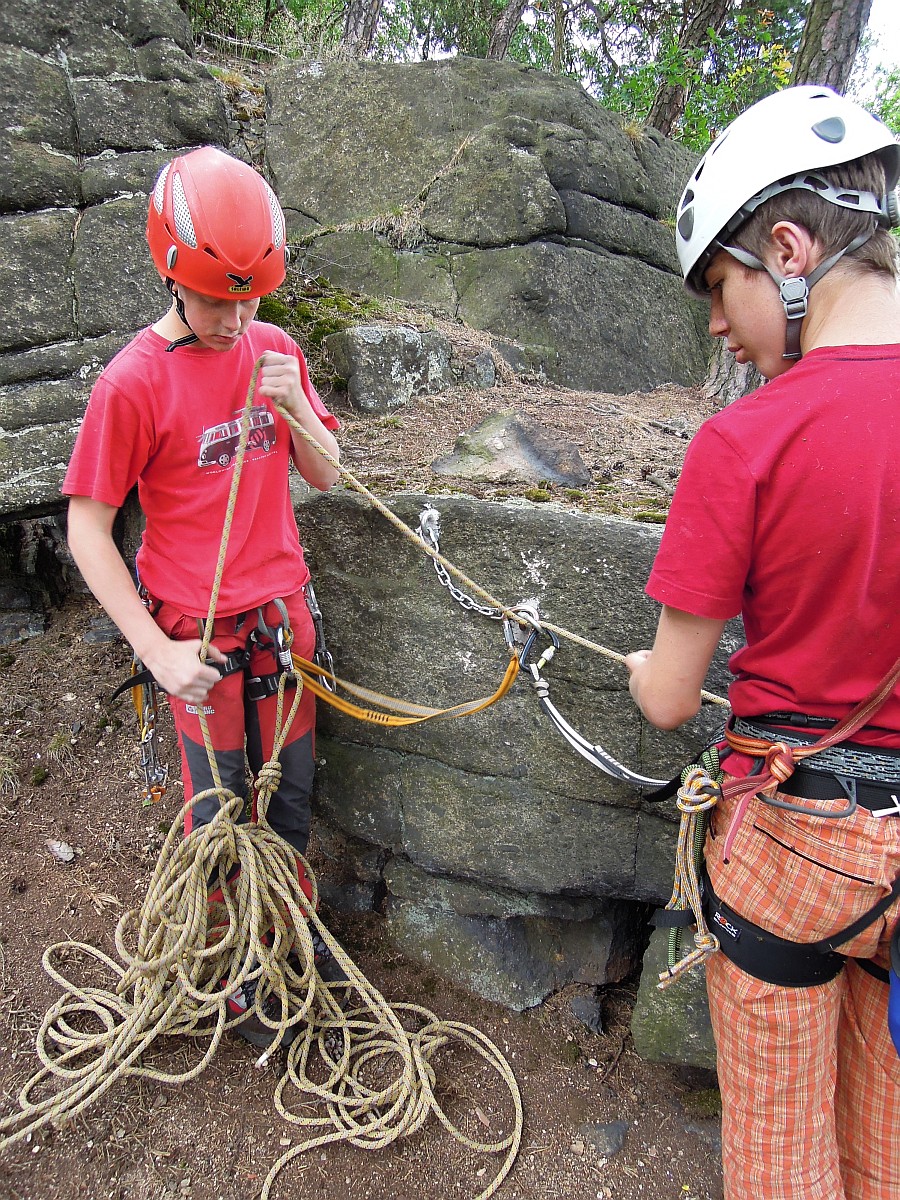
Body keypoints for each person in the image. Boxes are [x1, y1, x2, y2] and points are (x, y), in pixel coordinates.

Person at [625, 86, 900, 1200]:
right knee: (886, 1151)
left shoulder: (746, 439)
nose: (714, 322)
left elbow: (667, 699)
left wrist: (652, 670)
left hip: (796, 841)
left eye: (721, 285)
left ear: (787, 251)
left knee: (785, 1161)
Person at [63, 146, 344, 1047]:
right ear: (174, 277)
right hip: (199, 648)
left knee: (290, 804)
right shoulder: (132, 384)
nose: (235, 317)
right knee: (219, 819)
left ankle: (288, 951)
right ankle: (231, 968)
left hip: (280, 629)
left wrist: (294, 405)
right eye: (219, 298)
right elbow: (87, 530)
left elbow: (329, 478)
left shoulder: (273, 350)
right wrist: (157, 652)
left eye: (251, 297)